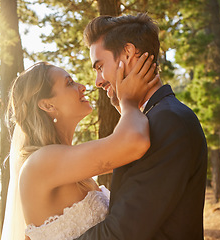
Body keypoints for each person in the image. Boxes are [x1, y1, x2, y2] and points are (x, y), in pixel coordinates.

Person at [75, 13, 208, 240]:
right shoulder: (155, 117)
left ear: (127, 53)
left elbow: (123, 232)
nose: (97, 81)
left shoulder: (168, 122)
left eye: (99, 66)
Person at [1, 53, 159, 240]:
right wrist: (128, 102)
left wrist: (122, 107)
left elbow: (134, 156)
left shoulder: (68, 164)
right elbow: (135, 143)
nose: (82, 87)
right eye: (69, 83)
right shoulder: (41, 162)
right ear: (48, 105)